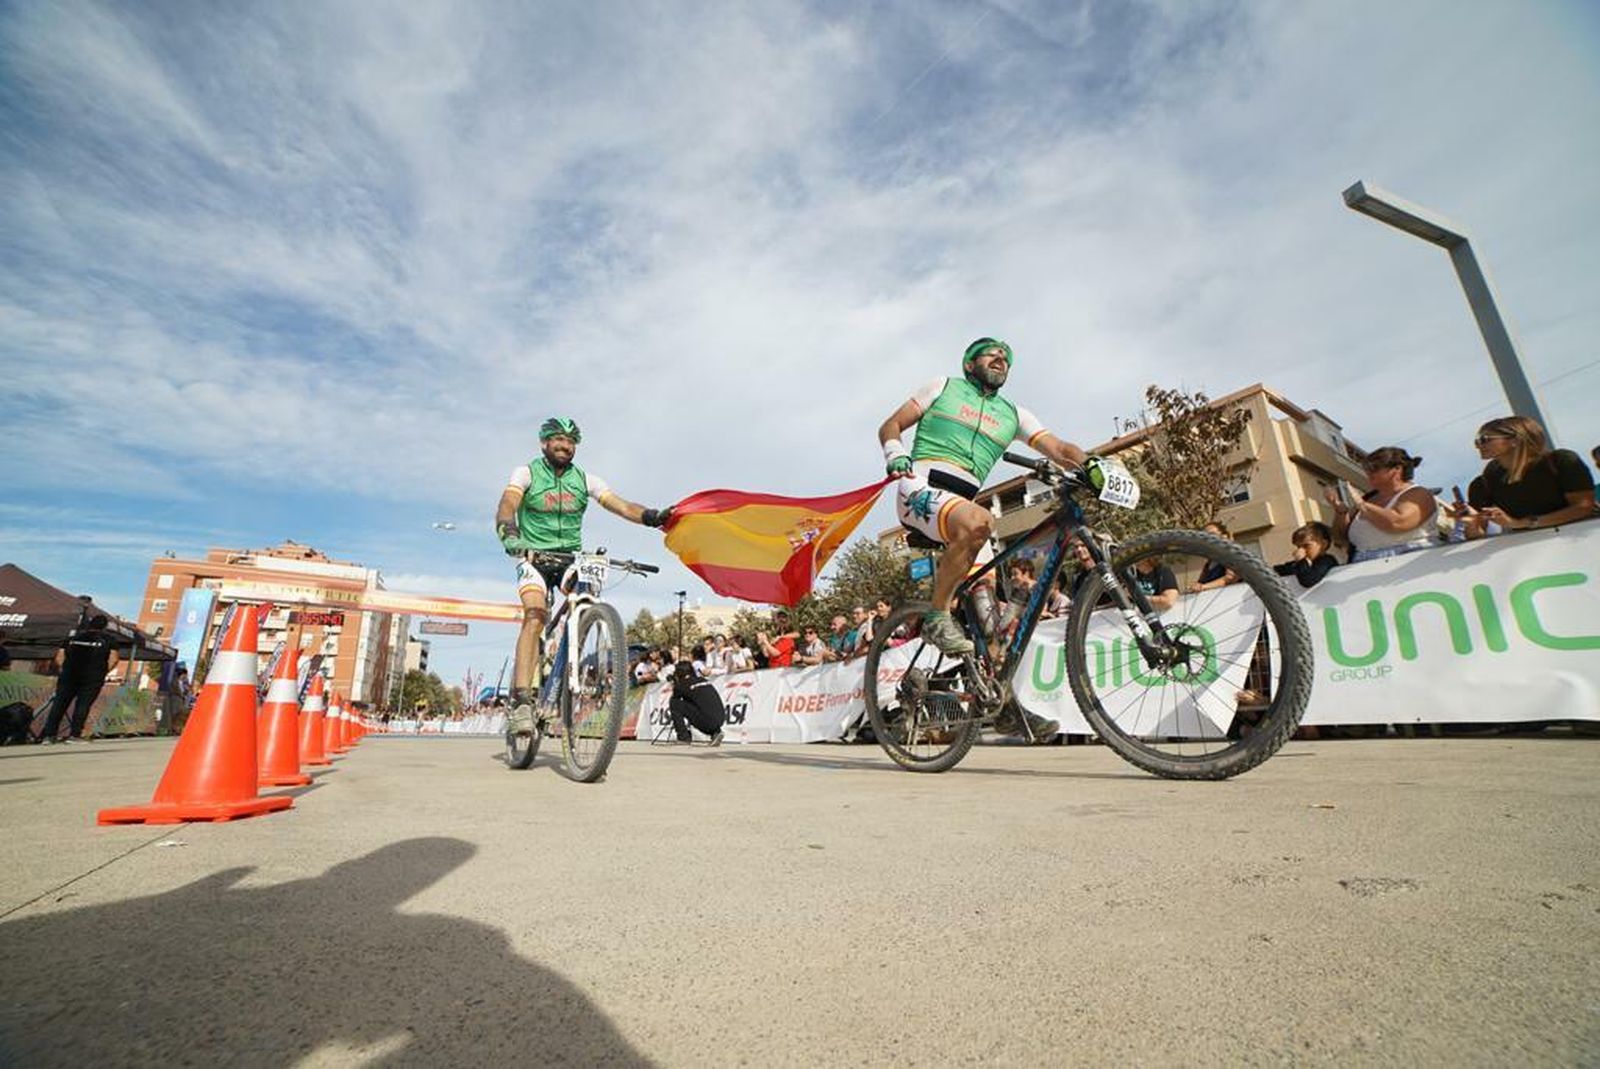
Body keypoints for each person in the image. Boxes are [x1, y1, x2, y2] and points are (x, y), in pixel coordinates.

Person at [877, 337, 1088, 741]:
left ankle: (1000, 703)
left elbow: (1059, 447)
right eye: (991, 353)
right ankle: (937, 618)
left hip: (965, 509)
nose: (1001, 358)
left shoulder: (1013, 414)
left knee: (990, 622)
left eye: (1007, 357)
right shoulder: (943, 386)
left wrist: (1092, 464)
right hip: (920, 486)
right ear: (969, 363)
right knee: (979, 523)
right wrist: (893, 454)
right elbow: (890, 425)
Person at [495, 417, 673, 735]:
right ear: (544, 443)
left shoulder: (586, 479)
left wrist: (651, 517)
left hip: (570, 557)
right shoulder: (526, 473)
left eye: (571, 442)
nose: (565, 446)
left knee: (587, 598)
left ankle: (570, 662)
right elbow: (508, 503)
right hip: (532, 555)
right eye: (558, 440)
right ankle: (522, 703)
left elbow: (619, 505)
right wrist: (510, 533)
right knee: (535, 615)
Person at [1455, 417, 1596, 536]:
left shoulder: (1560, 461)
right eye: (1477, 441)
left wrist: (1521, 523)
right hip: (1532, 553)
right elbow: (1478, 537)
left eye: (1484, 439)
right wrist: (1472, 524)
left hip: (1584, 540)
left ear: (1514, 440)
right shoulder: (1483, 483)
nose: (1478, 445)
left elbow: (1583, 507)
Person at [1326, 446, 1437, 562]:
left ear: (1397, 469)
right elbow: (1340, 538)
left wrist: (1362, 505)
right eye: (1366, 468)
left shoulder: (1419, 493)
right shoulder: (1368, 499)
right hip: (1364, 564)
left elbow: (1398, 522)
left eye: (1374, 468)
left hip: (1411, 563)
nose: (1368, 472)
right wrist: (1340, 511)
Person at [40, 614, 119, 743]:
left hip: (69, 674)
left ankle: (49, 735)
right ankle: (74, 735)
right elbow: (114, 659)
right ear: (105, 627)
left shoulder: (72, 638)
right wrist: (103, 671)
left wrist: (64, 669)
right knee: (83, 705)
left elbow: (59, 657)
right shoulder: (109, 640)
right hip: (92, 677)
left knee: (59, 704)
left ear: (90, 624)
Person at [666, 659, 724, 745]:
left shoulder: (682, 684)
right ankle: (716, 732)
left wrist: (675, 684)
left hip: (706, 721)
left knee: (674, 703)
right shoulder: (703, 680)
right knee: (702, 707)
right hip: (720, 719)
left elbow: (676, 698)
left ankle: (683, 737)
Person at [1274, 522, 1339, 589]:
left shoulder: (1327, 561)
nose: (1301, 550)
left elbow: (1308, 580)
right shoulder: (1301, 563)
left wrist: (1301, 561)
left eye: (1306, 546)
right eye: (1298, 547)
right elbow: (1280, 570)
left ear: (1323, 544)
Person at [1190, 522, 1239, 593]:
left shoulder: (1231, 553)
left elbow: (1230, 578)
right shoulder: (1209, 563)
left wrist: (1204, 587)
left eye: (1212, 534)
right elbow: (1201, 582)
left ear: (1223, 536)